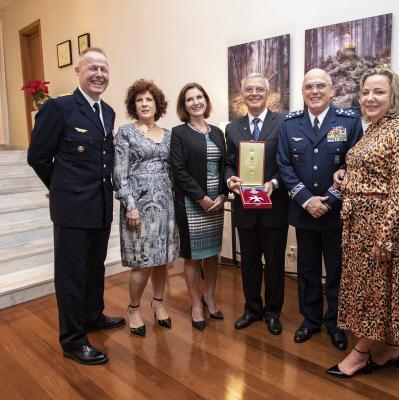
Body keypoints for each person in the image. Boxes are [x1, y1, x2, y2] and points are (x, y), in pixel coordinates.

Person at [27, 47, 125, 365]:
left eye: (104, 69)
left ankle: (92, 315)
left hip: (100, 206)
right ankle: (72, 339)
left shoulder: (108, 112)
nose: (99, 74)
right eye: (93, 68)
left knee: (95, 268)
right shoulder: (58, 108)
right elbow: (38, 156)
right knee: (70, 275)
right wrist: (60, 188)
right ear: (78, 72)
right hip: (72, 207)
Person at [327, 67, 399, 378]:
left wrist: (386, 237)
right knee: (371, 291)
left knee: (377, 293)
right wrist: (345, 176)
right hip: (359, 228)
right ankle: (393, 349)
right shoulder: (375, 129)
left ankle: (359, 355)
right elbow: (373, 174)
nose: (370, 97)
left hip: (381, 230)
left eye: (378, 92)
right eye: (365, 92)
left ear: (394, 96)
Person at [276, 68, 363, 350]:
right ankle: (310, 320)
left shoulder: (349, 122)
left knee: (337, 270)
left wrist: (329, 198)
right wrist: (306, 199)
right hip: (304, 211)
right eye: (308, 87)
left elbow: (355, 165)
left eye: (320, 86)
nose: (314, 91)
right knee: (307, 269)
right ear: (302, 93)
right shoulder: (290, 124)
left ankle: (335, 323)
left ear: (331, 90)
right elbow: (284, 164)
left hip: (335, 212)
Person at [113, 79, 179, 337]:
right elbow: (120, 173)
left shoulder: (169, 135)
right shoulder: (126, 133)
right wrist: (130, 205)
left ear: (157, 104)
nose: (144, 104)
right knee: (142, 263)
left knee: (162, 259)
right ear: (133, 105)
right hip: (138, 206)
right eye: (139, 100)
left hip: (165, 205)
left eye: (149, 99)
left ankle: (159, 302)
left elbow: (173, 172)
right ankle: (133, 308)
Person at [225, 73, 289, 335]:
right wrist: (230, 181)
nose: (254, 93)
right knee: (249, 262)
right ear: (242, 94)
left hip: (274, 205)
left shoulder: (284, 123)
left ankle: (273, 312)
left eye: (259, 89)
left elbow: (287, 162)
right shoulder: (232, 128)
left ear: (268, 93)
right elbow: (228, 162)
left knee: (274, 263)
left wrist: (272, 184)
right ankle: (252, 308)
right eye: (249, 89)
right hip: (245, 206)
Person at [170, 82, 227, 331]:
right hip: (192, 203)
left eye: (199, 97)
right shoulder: (179, 133)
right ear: (184, 106)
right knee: (193, 257)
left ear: (206, 100)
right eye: (190, 99)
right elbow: (178, 171)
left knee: (213, 254)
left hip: (216, 203)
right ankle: (195, 303)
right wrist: (200, 198)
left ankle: (210, 297)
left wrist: (223, 195)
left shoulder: (217, 132)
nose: (196, 102)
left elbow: (226, 166)